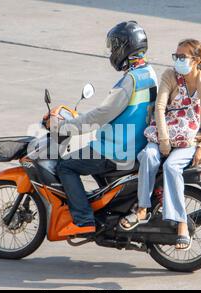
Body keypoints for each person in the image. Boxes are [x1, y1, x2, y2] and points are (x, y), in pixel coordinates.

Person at [48, 21, 158, 237]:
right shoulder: (149, 73)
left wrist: (66, 126)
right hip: (135, 144)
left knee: (66, 167)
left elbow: (101, 115)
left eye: (114, 46)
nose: (112, 52)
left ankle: (83, 220)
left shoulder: (129, 81)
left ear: (124, 48)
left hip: (114, 149)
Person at [120, 38, 201, 250]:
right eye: (175, 56)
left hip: (189, 141)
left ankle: (181, 223)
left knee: (171, 166)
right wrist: (164, 140)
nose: (178, 60)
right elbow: (160, 107)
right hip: (162, 135)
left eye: (182, 57)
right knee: (148, 156)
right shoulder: (170, 75)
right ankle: (142, 208)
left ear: (196, 60)